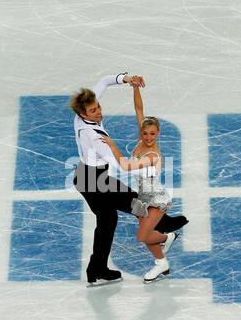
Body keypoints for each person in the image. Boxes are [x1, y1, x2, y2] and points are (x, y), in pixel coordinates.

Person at [70, 72, 187, 286]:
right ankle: (164, 231)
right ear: (83, 113)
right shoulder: (96, 138)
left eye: (98, 107)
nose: (99, 112)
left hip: (85, 176)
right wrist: (113, 144)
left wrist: (126, 79)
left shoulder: (82, 113)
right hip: (94, 181)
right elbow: (121, 165)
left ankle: (96, 268)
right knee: (133, 203)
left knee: (108, 219)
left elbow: (104, 82)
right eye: (93, 111)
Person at [94, 81, 179, 282]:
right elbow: (139, 110)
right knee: (148, 234)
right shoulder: (142, 140)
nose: (148, 137)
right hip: (142, 196)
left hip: (157, 200)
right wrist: (135, 87)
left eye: (152, 134)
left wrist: (112, 144)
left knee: (143, 236)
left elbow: (125, 166)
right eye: (145, 133)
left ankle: (166, 241)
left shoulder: (153, 155)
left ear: (158, 133)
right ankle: (163, 258)